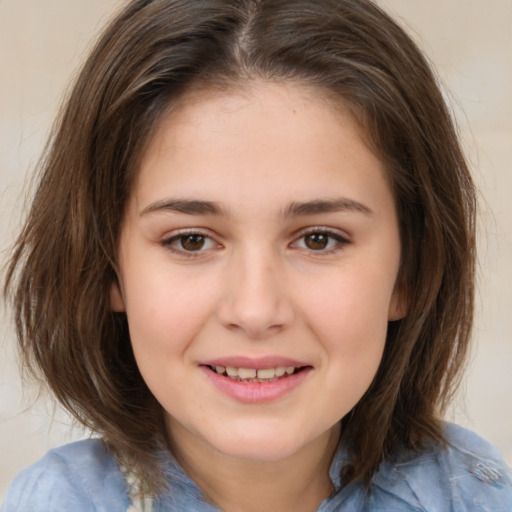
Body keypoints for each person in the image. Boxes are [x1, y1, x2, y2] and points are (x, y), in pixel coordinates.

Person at [2, 0, 511, 510]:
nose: (254, 311)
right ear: (108, 269)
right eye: (191, 240)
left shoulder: (473, 496)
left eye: (319, 239)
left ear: (410, 271)